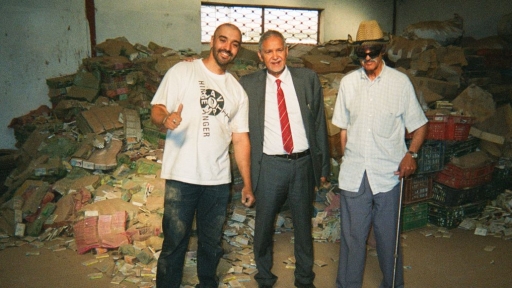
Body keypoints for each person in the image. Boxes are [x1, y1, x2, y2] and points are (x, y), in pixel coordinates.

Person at [150, 23, 255, 288]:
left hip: (218, 181)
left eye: (234, 44)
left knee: (211, 243)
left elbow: (241, 139)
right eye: (223, 40)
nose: (227, 48)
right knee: (174, 242)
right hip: (181, 176)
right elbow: (157, 108)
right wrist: (166, 118)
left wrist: (247, 183)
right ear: (212, 41)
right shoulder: (183, 70)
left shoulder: (237, 91)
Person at [331, 20, 428, 288]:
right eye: (362, 53)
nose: (368, 58)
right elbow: (342, 129)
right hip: (354, 175)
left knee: (388, 239)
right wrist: (345, 159)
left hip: (388, 174)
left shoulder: (400, 83)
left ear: (382, 50)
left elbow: (420, 126)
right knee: (352, 239)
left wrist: (412, 154)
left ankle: (393, 284)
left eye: (372, 52)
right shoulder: (349, 83)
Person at [239, 30, 330, 288]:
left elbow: (319, 123)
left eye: (279, 50)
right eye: (269, 51)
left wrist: (321, 166)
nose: (275, 56)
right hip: (269, 166)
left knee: (303, 226)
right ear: (260, 55)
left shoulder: (307, 79)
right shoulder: (249, 84)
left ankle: (304, 279)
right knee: (264, 226)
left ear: (287, 51)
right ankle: (264, 278)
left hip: (302, 164)